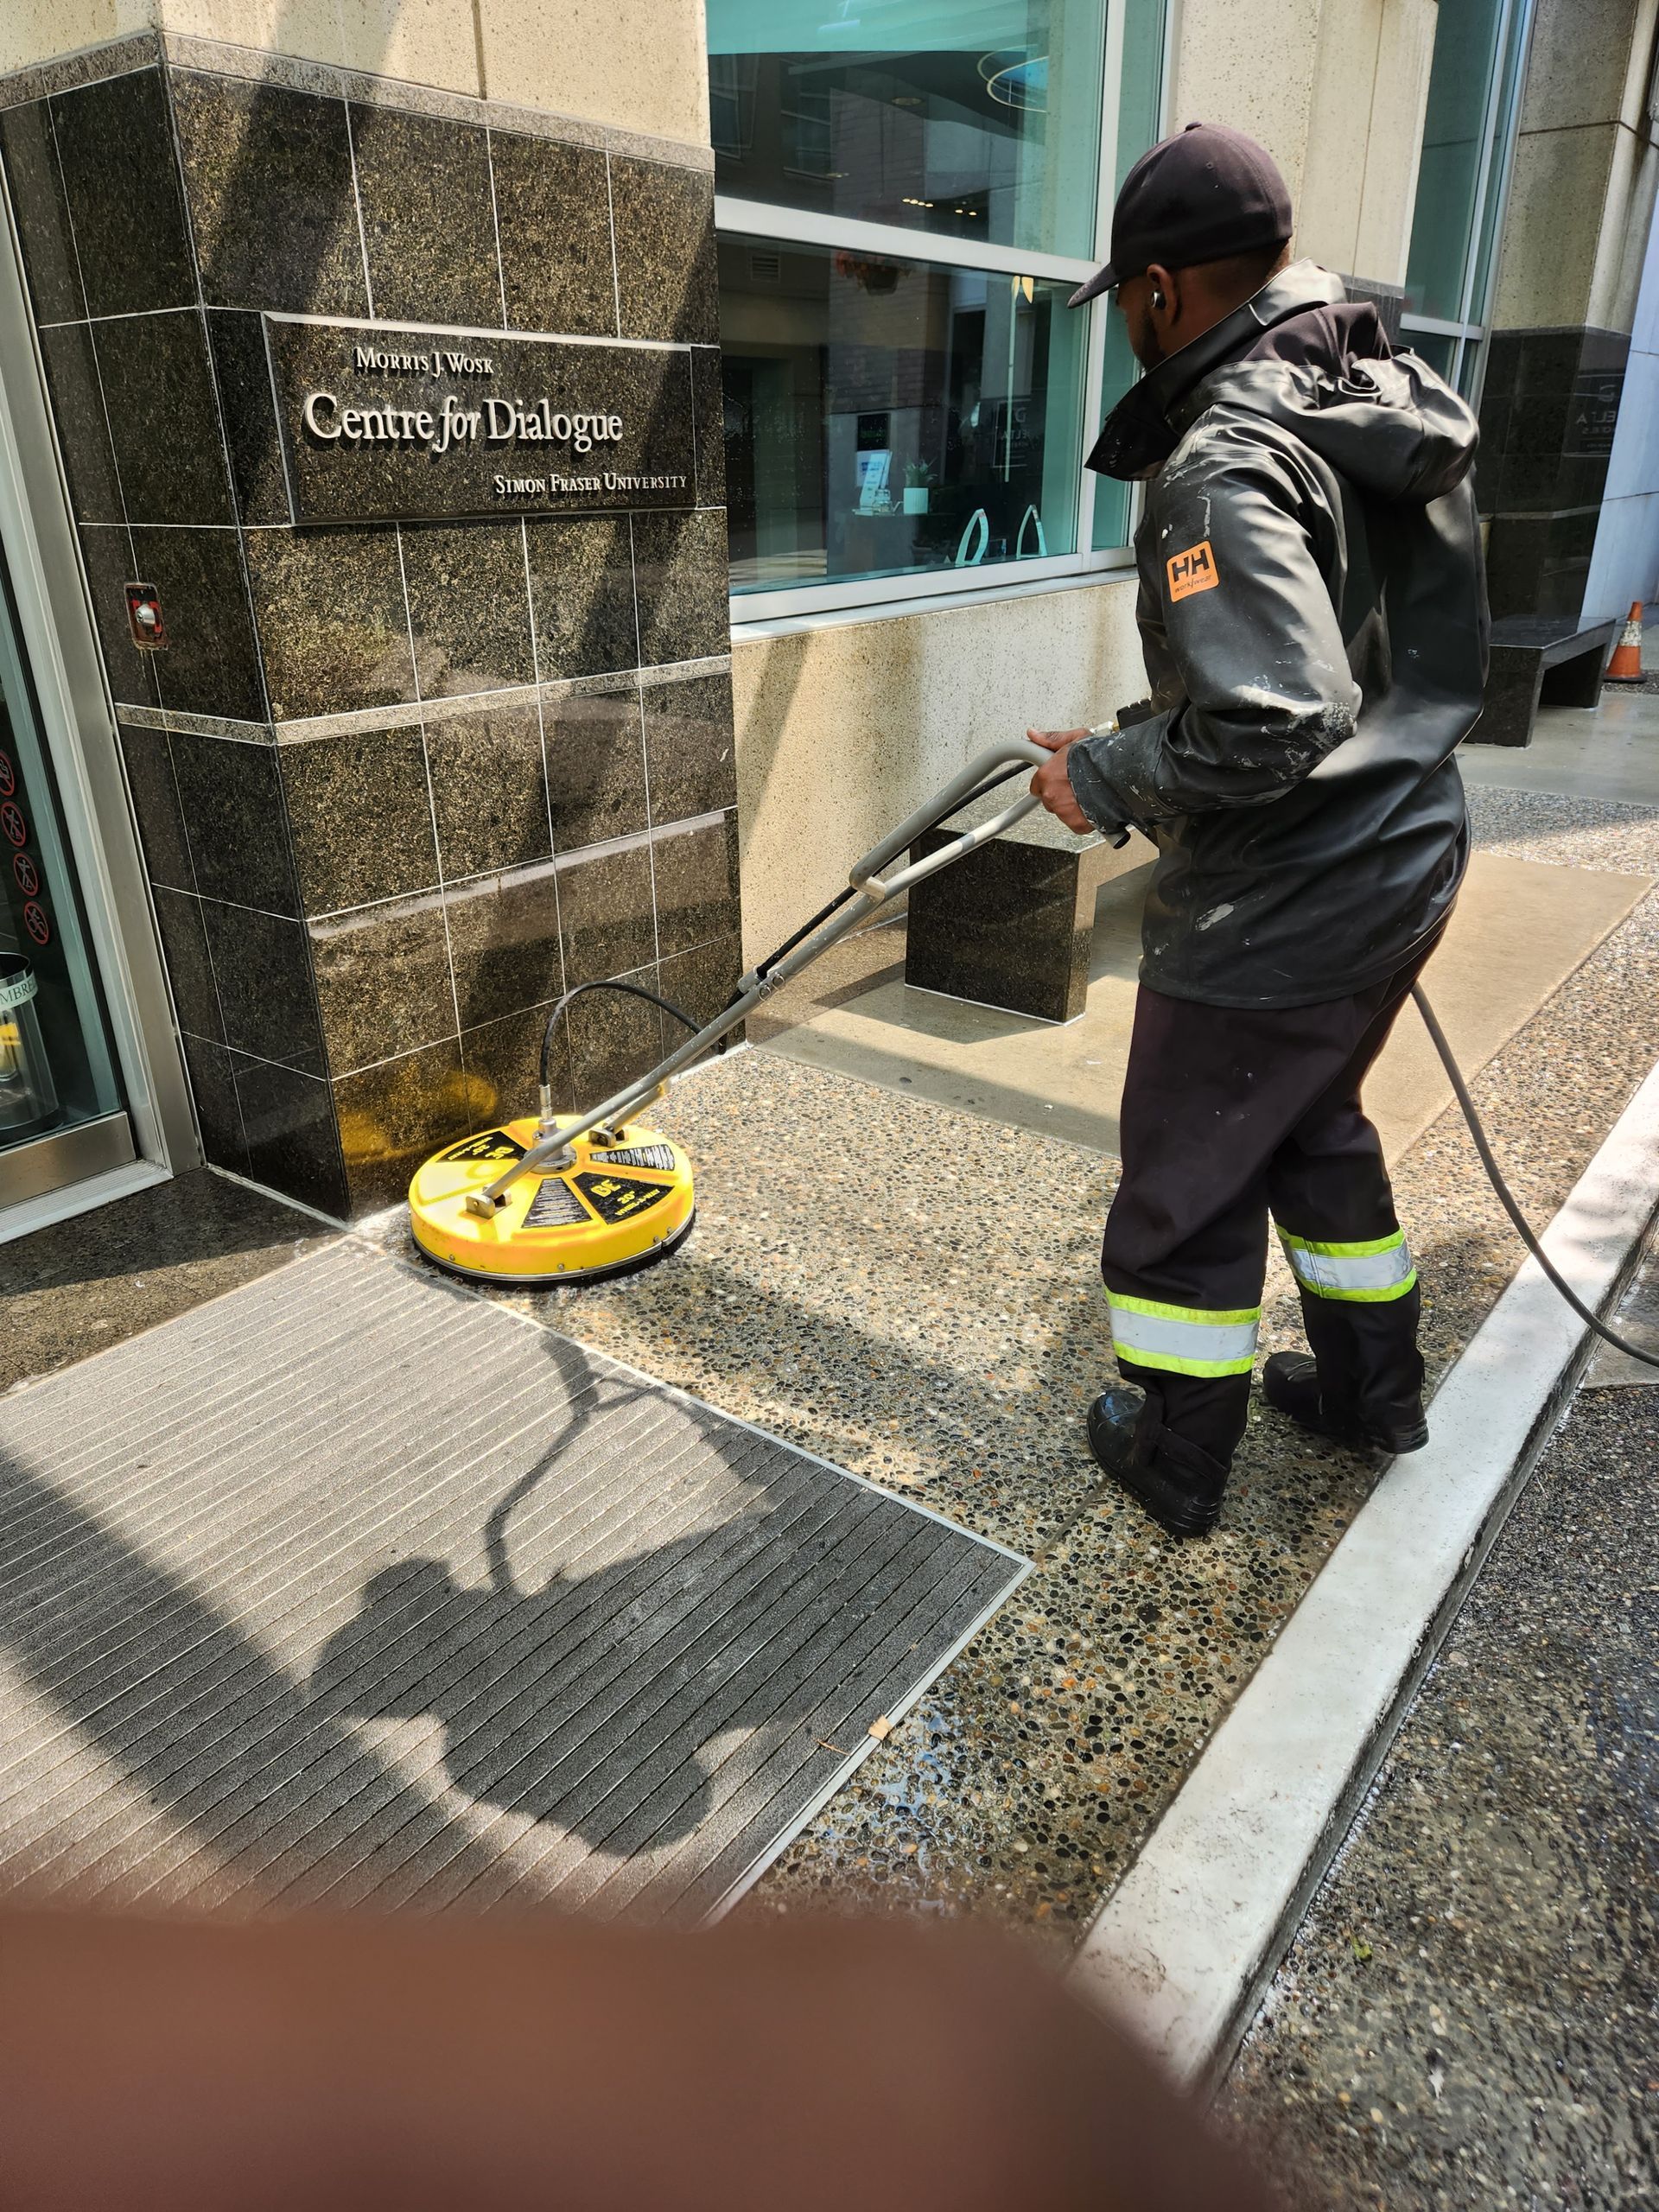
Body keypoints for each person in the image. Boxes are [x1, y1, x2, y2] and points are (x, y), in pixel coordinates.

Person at [1027, 122, 1486, 1540]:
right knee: (1308, 1127)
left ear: (1163, 290)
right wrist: (1122, 736)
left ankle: (1174, 1451)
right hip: (1406, 851)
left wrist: (1106, 780)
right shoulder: (1371, 392)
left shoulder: (1221, 459)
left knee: (1186, 1172)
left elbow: (1278, 715)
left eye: (1131, 303)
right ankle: (1373, 1396)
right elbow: (1333, 649)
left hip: (1288, 893)